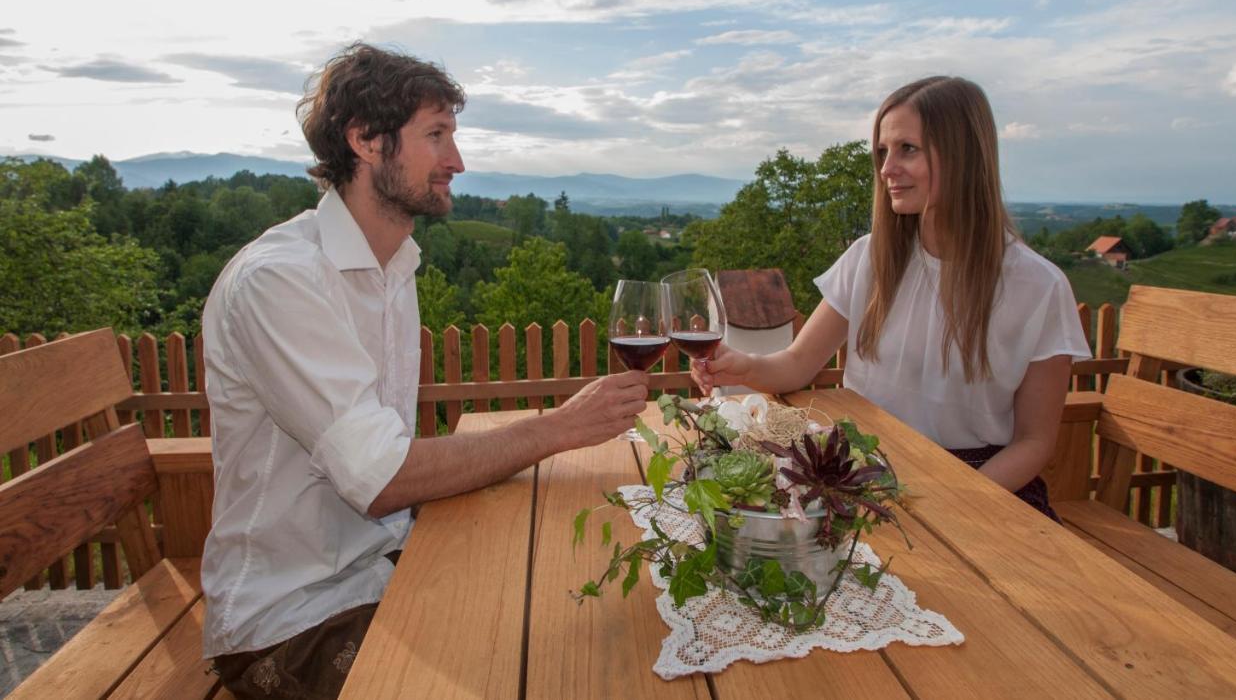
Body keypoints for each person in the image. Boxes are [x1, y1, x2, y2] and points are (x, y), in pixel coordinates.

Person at [200, 43, 648, 699]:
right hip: (292, 618)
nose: (456, 162)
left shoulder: (393, 266)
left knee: (583, 620)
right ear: (366, 141)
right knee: (535, 675)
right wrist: (560, 428)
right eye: (435, 136)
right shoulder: (281, 282)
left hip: (382, 568)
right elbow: (381, 478)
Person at [694, 76, 1090, 520]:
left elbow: (1034, 442)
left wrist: (953, 502)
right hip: (865, 475)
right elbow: (796, 366)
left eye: (908, 149)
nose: (886, 170)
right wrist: (742, 365)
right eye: (883, 152)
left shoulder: (1039, 287)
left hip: (983, 487)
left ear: (964, 156)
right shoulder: (868, 259)